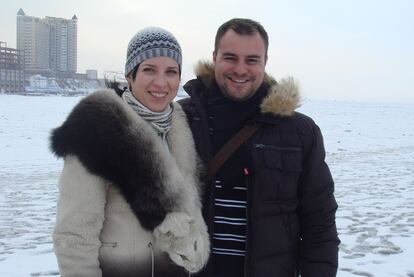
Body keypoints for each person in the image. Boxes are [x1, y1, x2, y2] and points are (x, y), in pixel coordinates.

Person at [179, 18, 340, 276]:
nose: (240, 69)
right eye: (230, 58)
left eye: (251, 60)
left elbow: (319, 224)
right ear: (214, 57)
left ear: (265, 62)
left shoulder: (299, 132)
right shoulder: (181, 119)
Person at [50, 27, 209, 277]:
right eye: (149, 70)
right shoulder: (97, 132)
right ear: (130, 75)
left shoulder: (180, 129)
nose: (161, 82)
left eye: (171, 72)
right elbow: (74, 236)